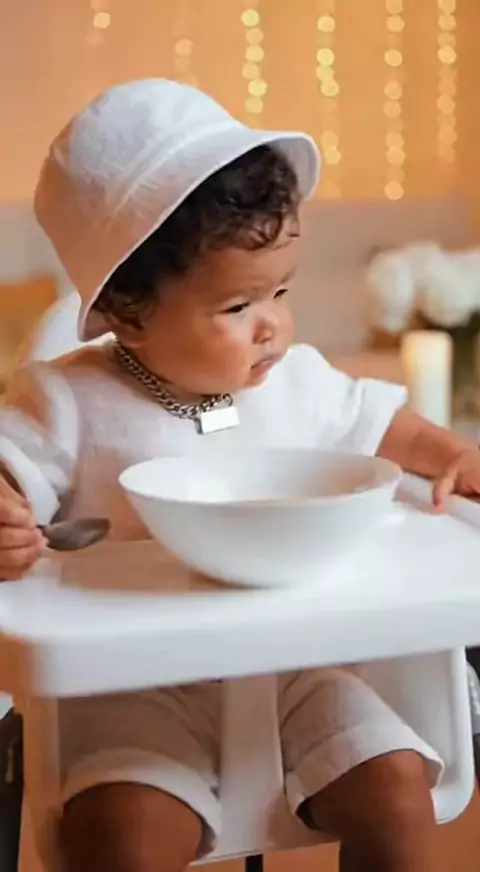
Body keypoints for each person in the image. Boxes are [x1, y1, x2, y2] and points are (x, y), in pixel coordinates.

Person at [0, 79, 479, 872]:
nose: (274, 326)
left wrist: (452, 454)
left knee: (399, 792)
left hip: (298, 673)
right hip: (137, 686)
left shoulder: (298, 381)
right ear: (127, 310)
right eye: (237, 307)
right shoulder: (69, 399)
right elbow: (9, 468)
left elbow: (382, 427)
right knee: (121, 836)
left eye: (281, 292)